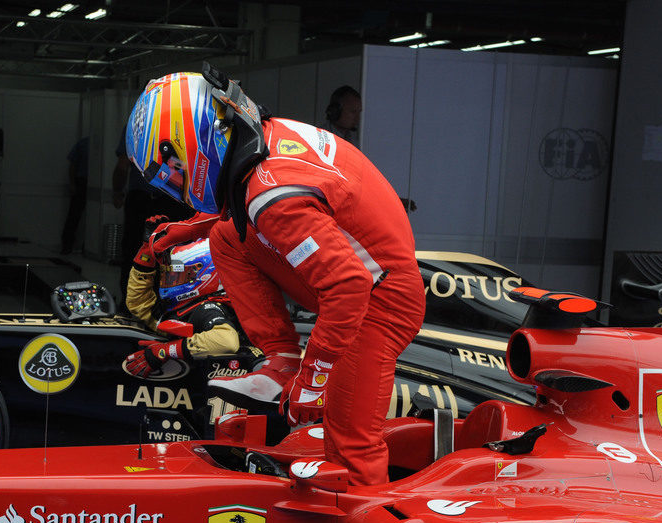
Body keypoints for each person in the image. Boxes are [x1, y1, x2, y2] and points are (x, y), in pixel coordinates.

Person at [125, 67, 426, 486]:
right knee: (228, 236)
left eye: (171, 170)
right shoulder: (261, 137)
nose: (175, 183)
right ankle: (280, 359)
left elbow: (348, 286)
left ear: (192, 143)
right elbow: (241, 204)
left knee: (352, 448)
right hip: (362, 275)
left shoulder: (272, 197)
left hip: (379, 300)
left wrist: (313, 378)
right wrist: (189, 226)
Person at [123, 212, 242, 377]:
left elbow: (226, 341)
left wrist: (164, 352)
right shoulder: (183, 310)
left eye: (178, 275)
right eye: (169, 276)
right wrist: (147, 251)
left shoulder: (208, 308)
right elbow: (138, 304)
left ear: (204, 274)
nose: (171, 281)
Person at [112, 122, 192, 309]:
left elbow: (123, 164)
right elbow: (190, 165)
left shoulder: (136, 124)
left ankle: (130, 304)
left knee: (134, 251)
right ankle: (170, 304)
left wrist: (117, 191)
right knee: (173, 252)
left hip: (142, 199)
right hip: (173, 199)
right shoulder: (182, 124)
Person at [61, 136, 89, 254]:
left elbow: (72, 165)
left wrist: (72, 183)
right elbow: (73, 165)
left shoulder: (83, 143)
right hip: (83, 182)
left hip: (81, 181)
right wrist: (72, 183)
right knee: (75, 215)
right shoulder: (86, 144)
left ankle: (68, 245)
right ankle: (70, 244)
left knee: (74, 215)